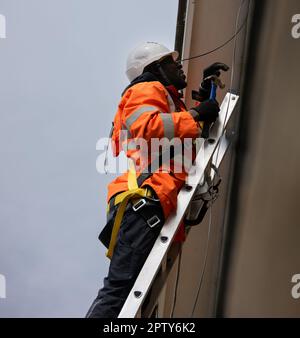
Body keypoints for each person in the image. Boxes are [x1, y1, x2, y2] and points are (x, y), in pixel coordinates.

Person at [86, 42, 223, 318]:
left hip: (154, 200)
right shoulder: (145, 88)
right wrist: (197, 114)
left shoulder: (164, 97)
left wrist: (206, 96)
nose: (179, 64)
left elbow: (180, 141)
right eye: (171, 61)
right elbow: (149, 127)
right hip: (144, 200)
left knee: (128, 297)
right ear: (155, 68)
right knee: (119, 290)